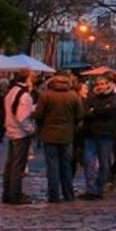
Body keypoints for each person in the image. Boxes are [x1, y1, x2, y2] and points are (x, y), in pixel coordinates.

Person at [32, 72, 82, 203]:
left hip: (49, 136)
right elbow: (80, 115)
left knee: (52, 166)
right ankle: (68, 194)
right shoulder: (73, 96)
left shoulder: (46, 96)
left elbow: (38, 115)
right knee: (66, 166)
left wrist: (42, 126)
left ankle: (54, 195)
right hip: (67, 135)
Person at [79, 75, 116, 199]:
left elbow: (110, 111)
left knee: (105, 164)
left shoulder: (113, 98)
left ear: (107, 84)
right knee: (88, 162)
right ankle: (91, 189)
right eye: (98, 84)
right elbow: (84, 113)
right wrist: (99, 110)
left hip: (106, 135)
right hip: (90, 134)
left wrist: (94, 111)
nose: (100, 86)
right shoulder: (91, 98)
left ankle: (99, 188)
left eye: (102, 84)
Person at [2, 70, 36, 205]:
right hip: (20, 134)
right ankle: (15, 195)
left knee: (10, 164)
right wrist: (31, 129)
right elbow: (22, 117)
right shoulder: (24, 95)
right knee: (18, 166)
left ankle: (8, 193)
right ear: (27, 79)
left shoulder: (12, 91)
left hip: (11, 131)